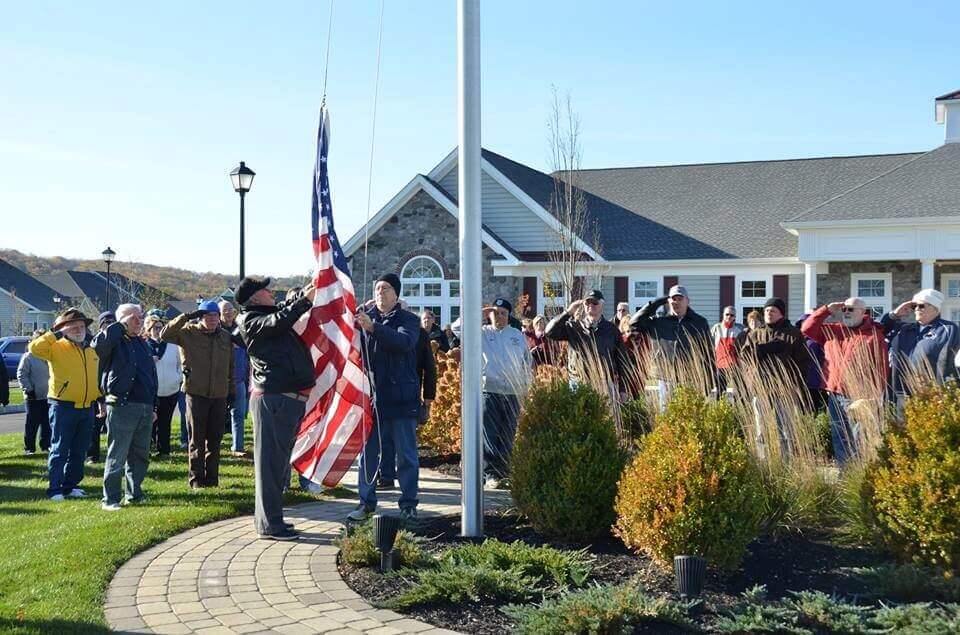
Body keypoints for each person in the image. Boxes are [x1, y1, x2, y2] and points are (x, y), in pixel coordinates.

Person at [234, 276, 317, 540]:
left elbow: (281, 314)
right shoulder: (250, 320)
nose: (272, 293)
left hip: (284, 400)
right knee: (270, 466)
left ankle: (270, 521)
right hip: (274, 400)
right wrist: (305, 301)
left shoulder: (265, 315)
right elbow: (277, 321)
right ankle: (271, 525)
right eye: (266, 290)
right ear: (255, 298)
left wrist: (303, 294)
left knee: (278, 466)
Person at [349, 273, 422, 524]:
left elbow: (404, 342)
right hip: (372, 401)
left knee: (406, 457)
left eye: (386, 288)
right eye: (377, 288)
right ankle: (366, 503)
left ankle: (409, 504)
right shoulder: (365, 319)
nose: (380, 292)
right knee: (368, 457)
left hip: (401, 401)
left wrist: (373, 327)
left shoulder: (409, 320)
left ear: (396, 294)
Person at [802, 297, 887, 464]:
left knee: (858, 436)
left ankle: (859, 475)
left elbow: (881, 367)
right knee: (839, 435)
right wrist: (826, 310)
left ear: (863, 312)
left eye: (851, 309)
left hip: (858, 395)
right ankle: (844, 474)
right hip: (835, 392)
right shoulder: (833, 331)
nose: (846, 312)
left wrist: (874, 396)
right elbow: (807, 328)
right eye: (844, 309)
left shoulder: (873, 335)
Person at [28, 308, 101, 500]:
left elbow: (95, 377)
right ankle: (55, 489)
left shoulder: (91, 348)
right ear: (63, 329)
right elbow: (34, 348)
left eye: (81, 326)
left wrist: (99, 399)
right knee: (60, 449)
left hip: (87, 406)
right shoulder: (55, 347)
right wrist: (59, 332)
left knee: (79, 450)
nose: (78, 329)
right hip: (63, 406)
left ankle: (71, 485)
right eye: (73, 326)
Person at [161, 300, 234, 489]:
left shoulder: (225, 337)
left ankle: (212, 480)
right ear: (201, 317)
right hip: (196, 393)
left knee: (215, 440)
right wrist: (186, 316)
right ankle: (196, 480)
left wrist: (231, 390)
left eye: (215, 316)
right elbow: (165, 334)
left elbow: (230, 365)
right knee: (197, 440)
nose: (212, 320)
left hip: (218, 394)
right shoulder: (188, 333)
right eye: (208, 316)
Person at [93, 304, 159, 511]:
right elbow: (97, 345)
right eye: (133, 317)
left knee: (140, 455)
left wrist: (153, 406)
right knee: (117, 454)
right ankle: (110, 499)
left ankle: (134, 494)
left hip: (145, 407)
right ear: (120, 320)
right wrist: (120, 326)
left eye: (140, 317)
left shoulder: (142, 343)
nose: (138, 321)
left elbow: (150, 376)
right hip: (121, 405)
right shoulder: (114, 340)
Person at [740, 297, 810, 456]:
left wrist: (797, 386)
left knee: (786, 431)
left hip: (784, 390)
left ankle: (787, 465)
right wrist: (760, 350)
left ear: (781, 314)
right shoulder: (756, 333)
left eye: (773, 310)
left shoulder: (792, 333)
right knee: (760, 432)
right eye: (766, 310)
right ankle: (763, 464)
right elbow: (744, 357)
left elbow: (803, 362)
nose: (768, 313)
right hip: (761, 389)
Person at [379, 319, 437, 490]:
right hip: (385, 394)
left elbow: (429, 366)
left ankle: (408, 487)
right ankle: (386, 476)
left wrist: (428, 396)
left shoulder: (420, 334)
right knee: (385, 439)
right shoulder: (383, 331)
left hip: (409, 396)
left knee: (406, 445)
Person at [629, 285, 713, 404]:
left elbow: (708, 352)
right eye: (673, 299)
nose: (676, 302)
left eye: (680, 299)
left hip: (690, 378)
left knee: (689, 417)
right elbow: (633, 323)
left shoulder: (699, 323)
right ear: (668, 301)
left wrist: (709, 381)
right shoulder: (659, 322)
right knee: (666, 417)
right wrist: (656, 302)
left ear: (687, 301)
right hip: (666, 377)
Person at [481, 298, 533, 488]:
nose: (499, 316)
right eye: (495, 312)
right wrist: (480, 313)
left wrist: (526, 387)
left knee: (508, 433)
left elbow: (527, 362)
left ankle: (504, 472)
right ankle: (491, 474)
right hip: (490, 391)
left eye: (503, 313)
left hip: (512, 392)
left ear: (509, 316)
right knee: (490, 434)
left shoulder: (517, 335)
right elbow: (457, 328)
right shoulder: (483, 333)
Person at [882, 289, 960, 411]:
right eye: (914, 306)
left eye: (921, 305)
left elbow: (952, 361)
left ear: (935, 308)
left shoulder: (948, 329)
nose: (917, 309)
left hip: (932, 394)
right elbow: (879, 331)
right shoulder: (905, 329)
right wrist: (894, 315)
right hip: (901, 393)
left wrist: (945, 390)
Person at [545, 289, 625, 390]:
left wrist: (622, 389)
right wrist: (568, 312)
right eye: (587, 302)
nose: (590, 305)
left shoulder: (612, 330)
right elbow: (549, 332)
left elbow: (621, 361)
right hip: (578, 382)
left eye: (595, 302)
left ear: (602, 305)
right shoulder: (574, 327)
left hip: (604, 382)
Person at [145, 310, 182, 458]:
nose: (158, 330)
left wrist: (177, 378)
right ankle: (146, 449)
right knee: (149, 423)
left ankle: (164, 451)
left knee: (165, 422)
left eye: (160, 327)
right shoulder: (144, 346)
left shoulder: (172, 345)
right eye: (155, 327)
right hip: (151, 392)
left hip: (171, 390)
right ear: (149, 329)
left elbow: (181, 364)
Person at [220, 300, 250, 457]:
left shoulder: (241, 329)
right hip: (219, 381)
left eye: (230, 309)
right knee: (216, 416)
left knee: (238, 415)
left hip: (239, 380)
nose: (228, 312)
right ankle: (213, 446)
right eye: (225, 310)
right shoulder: (216, 330)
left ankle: (238, 447)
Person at [88, 311, 115, 464]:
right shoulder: (94, 343)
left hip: (115, 391)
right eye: (106, 323)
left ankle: (115, 456)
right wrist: (99, 398)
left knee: (114, 427)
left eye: (112, 323)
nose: (109, 326)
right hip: (97, 391)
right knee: (94, 427)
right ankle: (93, 455)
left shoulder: (121, 343)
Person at [18, 330, 50, 455]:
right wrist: (29, 390)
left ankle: (46, 445)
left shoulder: (50, 355)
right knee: (32, 424)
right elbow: (21, 375)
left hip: (48, 396)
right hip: (33, 397)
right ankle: (29, 448)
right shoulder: (28, 357)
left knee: (47, 423)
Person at [711, 306, 744, 395]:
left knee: (739, 391)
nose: (729, 317)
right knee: (720, 391)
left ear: (735, 317)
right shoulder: (716, 328)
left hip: (735, 364)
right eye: (727, 314)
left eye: (732, 315)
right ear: (723, 315)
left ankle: (738, 407)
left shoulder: (740, 329)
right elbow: (710, 344)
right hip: (720, 363)